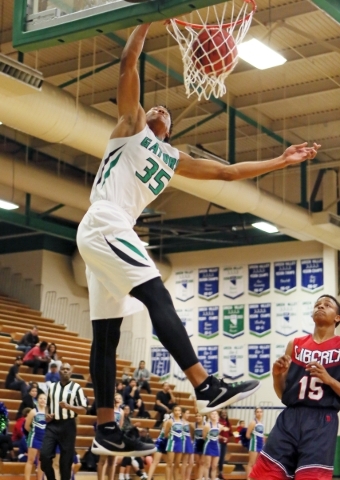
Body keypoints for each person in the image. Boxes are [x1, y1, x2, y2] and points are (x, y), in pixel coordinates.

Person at [76, 22, 319, 456]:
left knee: (107, 336)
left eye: (167, 113)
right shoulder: (130, 126)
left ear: (169, 131)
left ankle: (106, 428)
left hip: (111, 232)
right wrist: (146, 20)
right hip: (105, 222)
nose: (161, 110)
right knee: (157, 296)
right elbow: (128, 63)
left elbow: (227, 172)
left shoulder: (173, 159)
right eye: (157, 108)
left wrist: (281, 161)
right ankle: (204, 384)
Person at [250, 294, 340, 480]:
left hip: (322, 420)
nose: (320, 307)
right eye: (317, 304)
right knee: (263, 476)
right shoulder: (295, 345)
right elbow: (283, 394)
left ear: (337, 317)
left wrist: (329, 380)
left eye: (327, 305)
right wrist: (276, 376)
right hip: (290, 417)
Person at [40, 363, 87, 480]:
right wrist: (47, 414)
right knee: (44, 456)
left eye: (67, 369)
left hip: (68, 425)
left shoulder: (76, 388)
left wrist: (69, 407)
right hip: (53, 425)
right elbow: (48, 405)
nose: (65, 371)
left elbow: (84, 410)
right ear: (59, 372)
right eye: (63, 369)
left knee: (65, 462)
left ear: (70, 372)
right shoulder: (52, 387)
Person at [25, 392, 47, 480]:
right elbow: (26, 426)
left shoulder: (49, 412)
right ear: (37, 400)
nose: (42, 400)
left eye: (44, 399)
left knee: (41, 461)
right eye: (41, 398)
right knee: (30, 460)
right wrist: (33, 433)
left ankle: (40, 479)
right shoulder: (33, 412)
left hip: (44, 439)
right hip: (34, 438)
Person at [147, 414, 170, 480]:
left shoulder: (178, 421)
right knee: (155, 462)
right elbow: (166, 432)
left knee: (169, 463)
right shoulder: (167, 420)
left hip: (168, 443)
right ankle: (148, 478)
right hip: (161, 442)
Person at [164, 406, 183, 480]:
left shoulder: (182, 422)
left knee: (177, 464)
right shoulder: (170, 421)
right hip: (172, 443)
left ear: (181, 412)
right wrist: (170, 437)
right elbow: (166, 433)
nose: (177, 412)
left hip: (179, 443)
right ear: (173, 412)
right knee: (169, 463)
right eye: (176, 410)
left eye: (179, 410)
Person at [246, 407, 264, 479]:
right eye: (257, 412)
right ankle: (248, 478)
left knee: (257, 463)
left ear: (262, 413)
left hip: (260, 444)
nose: (259, 413)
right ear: (255, 413)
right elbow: (247, 435)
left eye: (260, 412)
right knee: (251, 463)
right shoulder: (253, 422)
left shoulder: (261, 423)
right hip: (254, 444)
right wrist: (254, 438)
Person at [203, 411, 222, 480]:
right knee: (207, 465)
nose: (214, 415)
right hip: (208, 445)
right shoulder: (207, 425)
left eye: (215, 414)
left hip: (216, 446)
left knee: (214, 466)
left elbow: (218, 435)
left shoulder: (220, 426)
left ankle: (213, 478)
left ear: (218, 415)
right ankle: (206, 478)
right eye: (212, 414)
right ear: (210, 416)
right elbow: (204, 436)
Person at [218, 410, 232, 480]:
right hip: (219, 442)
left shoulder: (228, 422)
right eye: (223, 413)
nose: (224, 414)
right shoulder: (219, 421)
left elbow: (230, 432)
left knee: (222, 458)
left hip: (224, 443)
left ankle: (220, 472)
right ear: (220, 414)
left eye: (225, 413)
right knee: (218, 458)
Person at [193, 413, 206, 480]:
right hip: (196, 445)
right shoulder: (194, 425)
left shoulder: (206, 425)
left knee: (202, 463)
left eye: (199, 416)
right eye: (196, 416)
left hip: (204, 445)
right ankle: (196, 477)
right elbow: (192, 436)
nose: (198, 417)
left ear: (203, 417)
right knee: (197, 463)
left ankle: (200, 478)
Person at [181, 409, 194, 480]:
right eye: (187, 413)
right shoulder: (181, 422)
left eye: (189, 413)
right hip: (184, 441)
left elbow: (190, 433)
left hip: (189, 441)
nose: (188, 415)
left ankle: (187, 478)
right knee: (185, 462)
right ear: (183, 413)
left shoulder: (188, 422)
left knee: (191, 462)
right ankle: (183, 478)